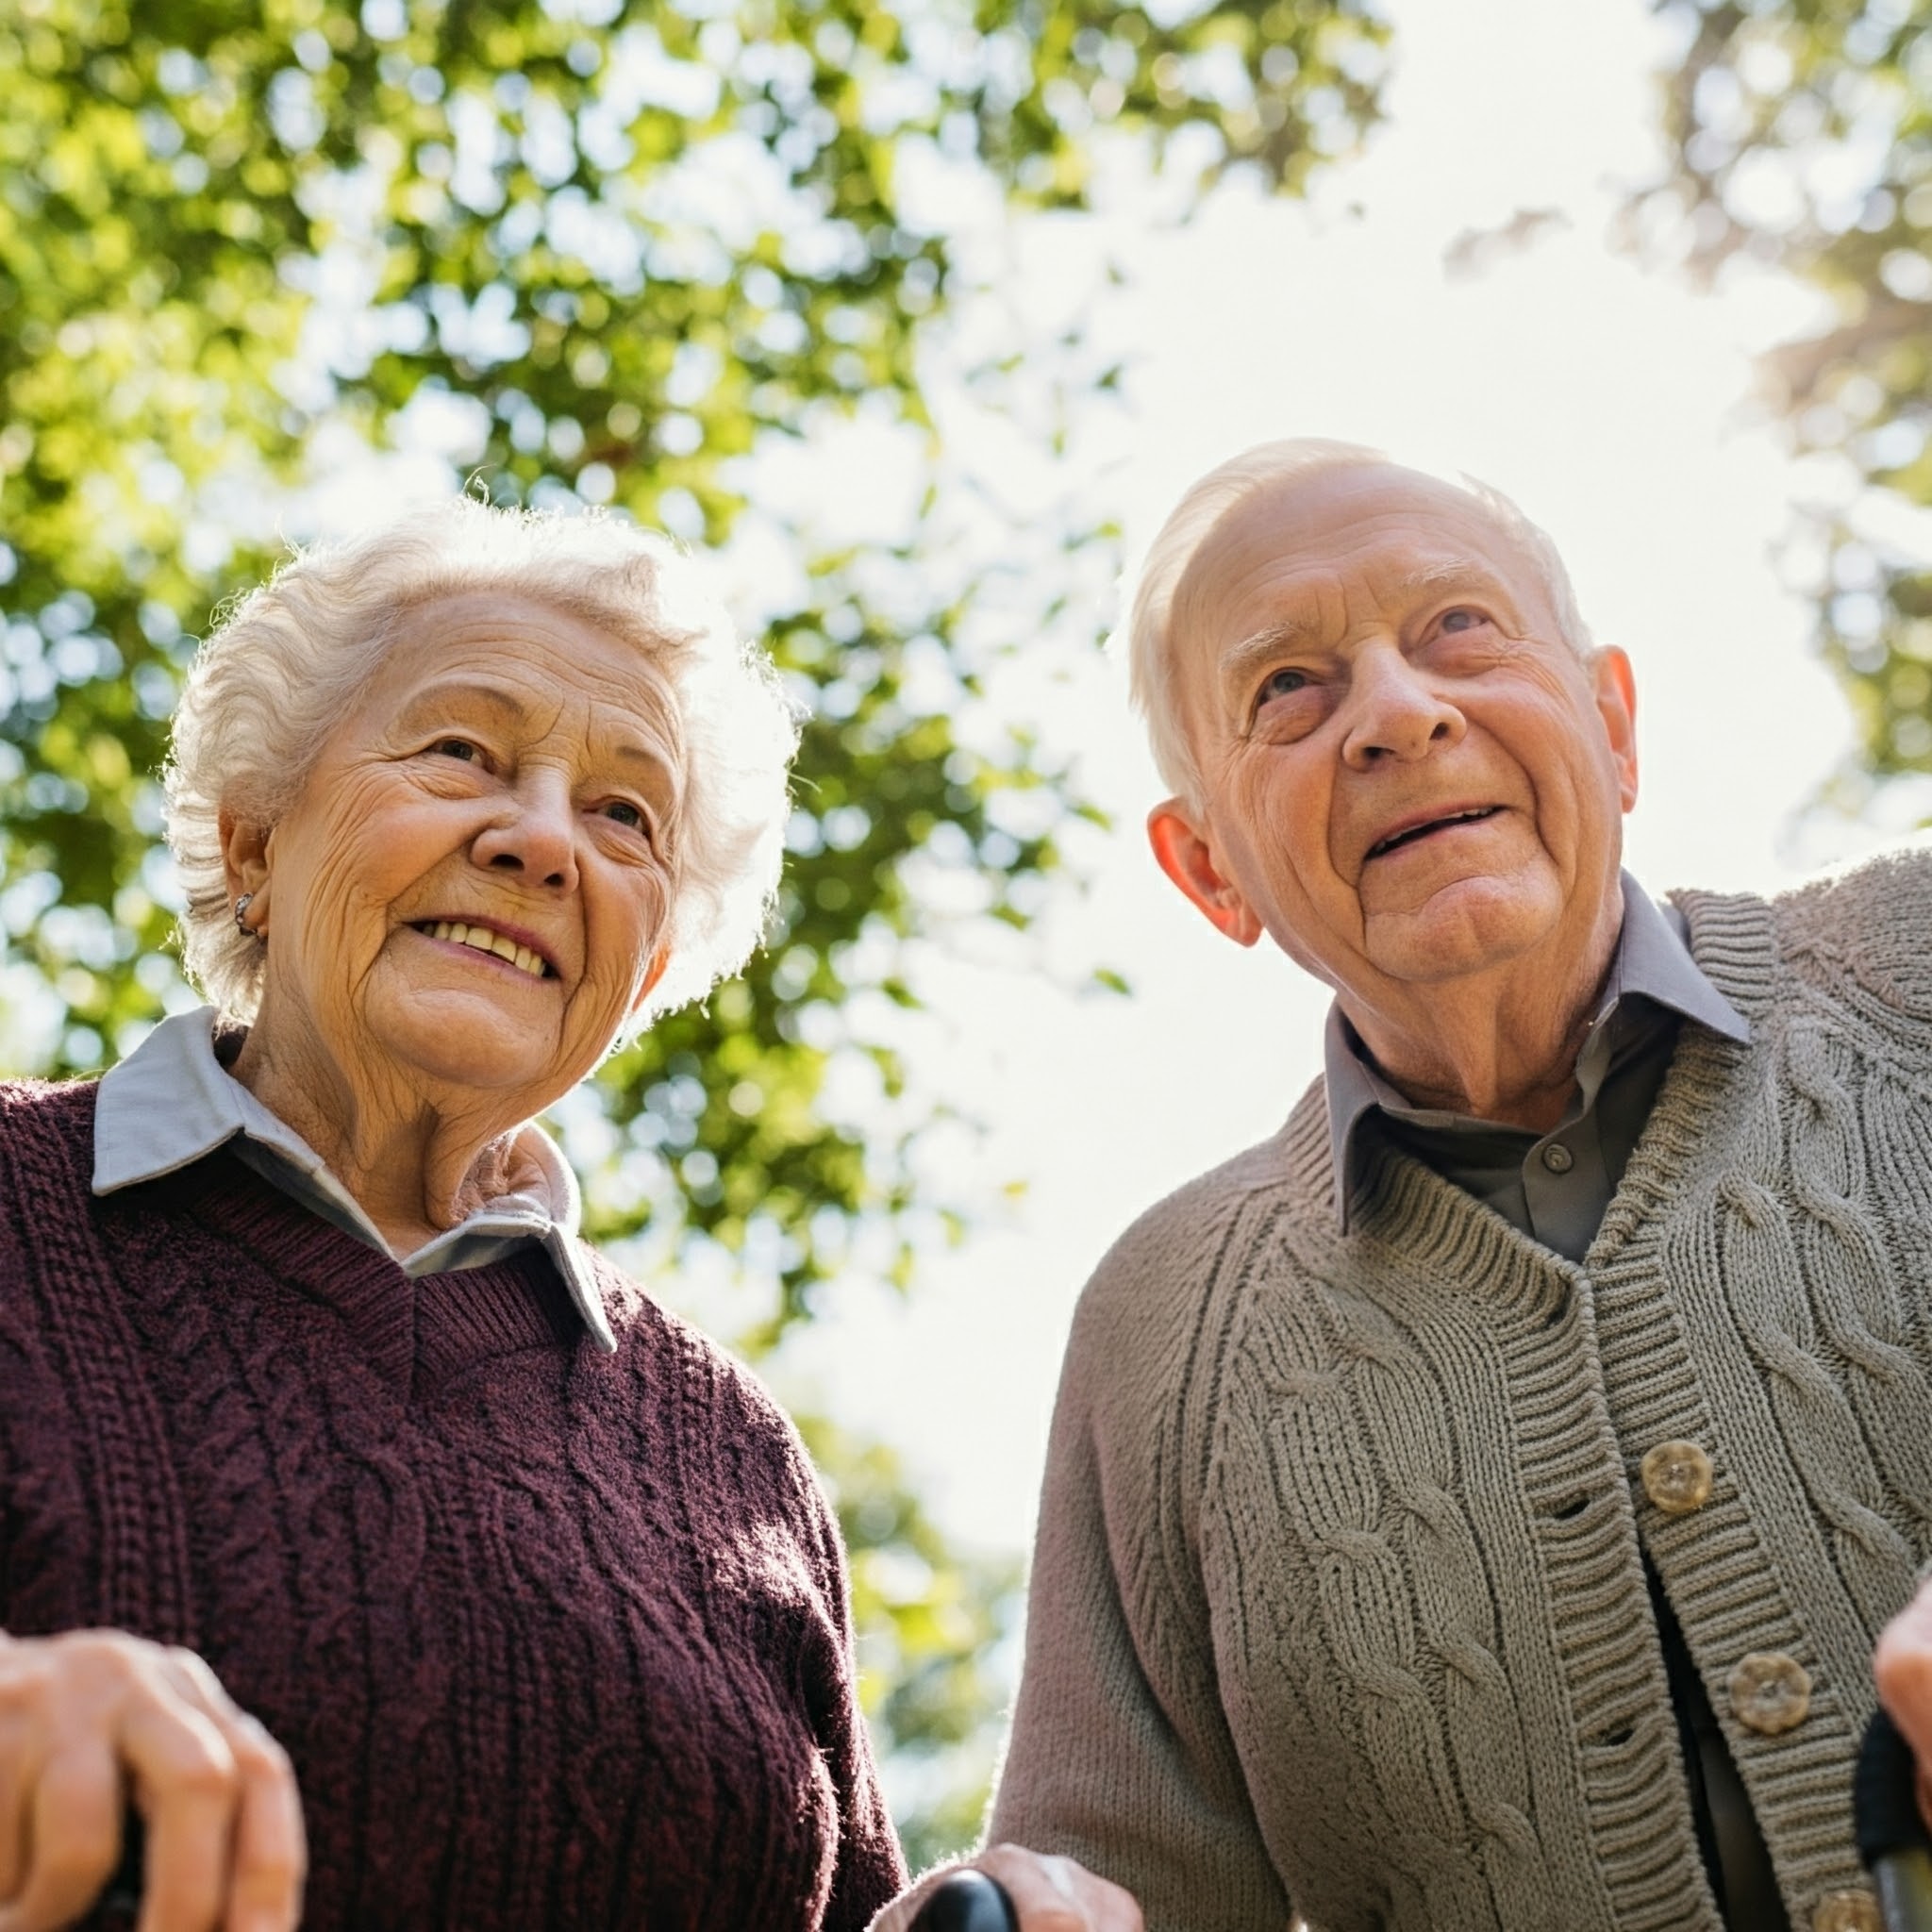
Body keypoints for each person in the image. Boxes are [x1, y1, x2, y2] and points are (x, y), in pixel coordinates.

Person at [0, 498, 1129, 1932]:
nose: (544, 843)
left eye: (622, 815)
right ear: (251, 842)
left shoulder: (735, 1454)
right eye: (463, 750)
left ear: (645, 969)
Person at [986, 439, 1932, 1932]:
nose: (1398, 713)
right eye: (1285, 688)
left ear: (1614, 726)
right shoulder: (1161, 1328)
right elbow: (1114, 1893)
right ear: (1210, 870)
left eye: (1458, 630)